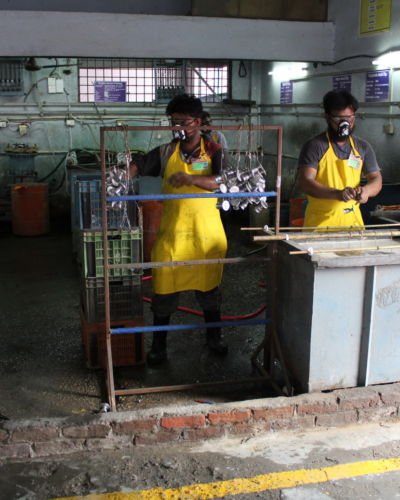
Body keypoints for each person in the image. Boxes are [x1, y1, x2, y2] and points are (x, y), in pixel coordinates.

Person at [130, 94, 228, 365]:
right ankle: (158, 346)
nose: (178, 128)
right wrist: (123, 173)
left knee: (209, 292)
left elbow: (221, 181)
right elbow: (140, 164)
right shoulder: (166, 152)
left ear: (198, 121)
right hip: (173, 235)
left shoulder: (214, 150)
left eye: (183, 122)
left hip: (205, 235)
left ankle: (214, 338)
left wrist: (190, 178)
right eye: (173, 123)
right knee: (163, 291)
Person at [296, 89, 382, 230]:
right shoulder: (315, 146)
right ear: (327, 117)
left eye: (349, 118)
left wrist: (366, 191)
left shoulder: (362, 147)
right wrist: (337, 194)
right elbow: (305, 182)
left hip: (353, 226)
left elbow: (376, 178)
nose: (345, 124)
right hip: (320, 226)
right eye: (339, 119)